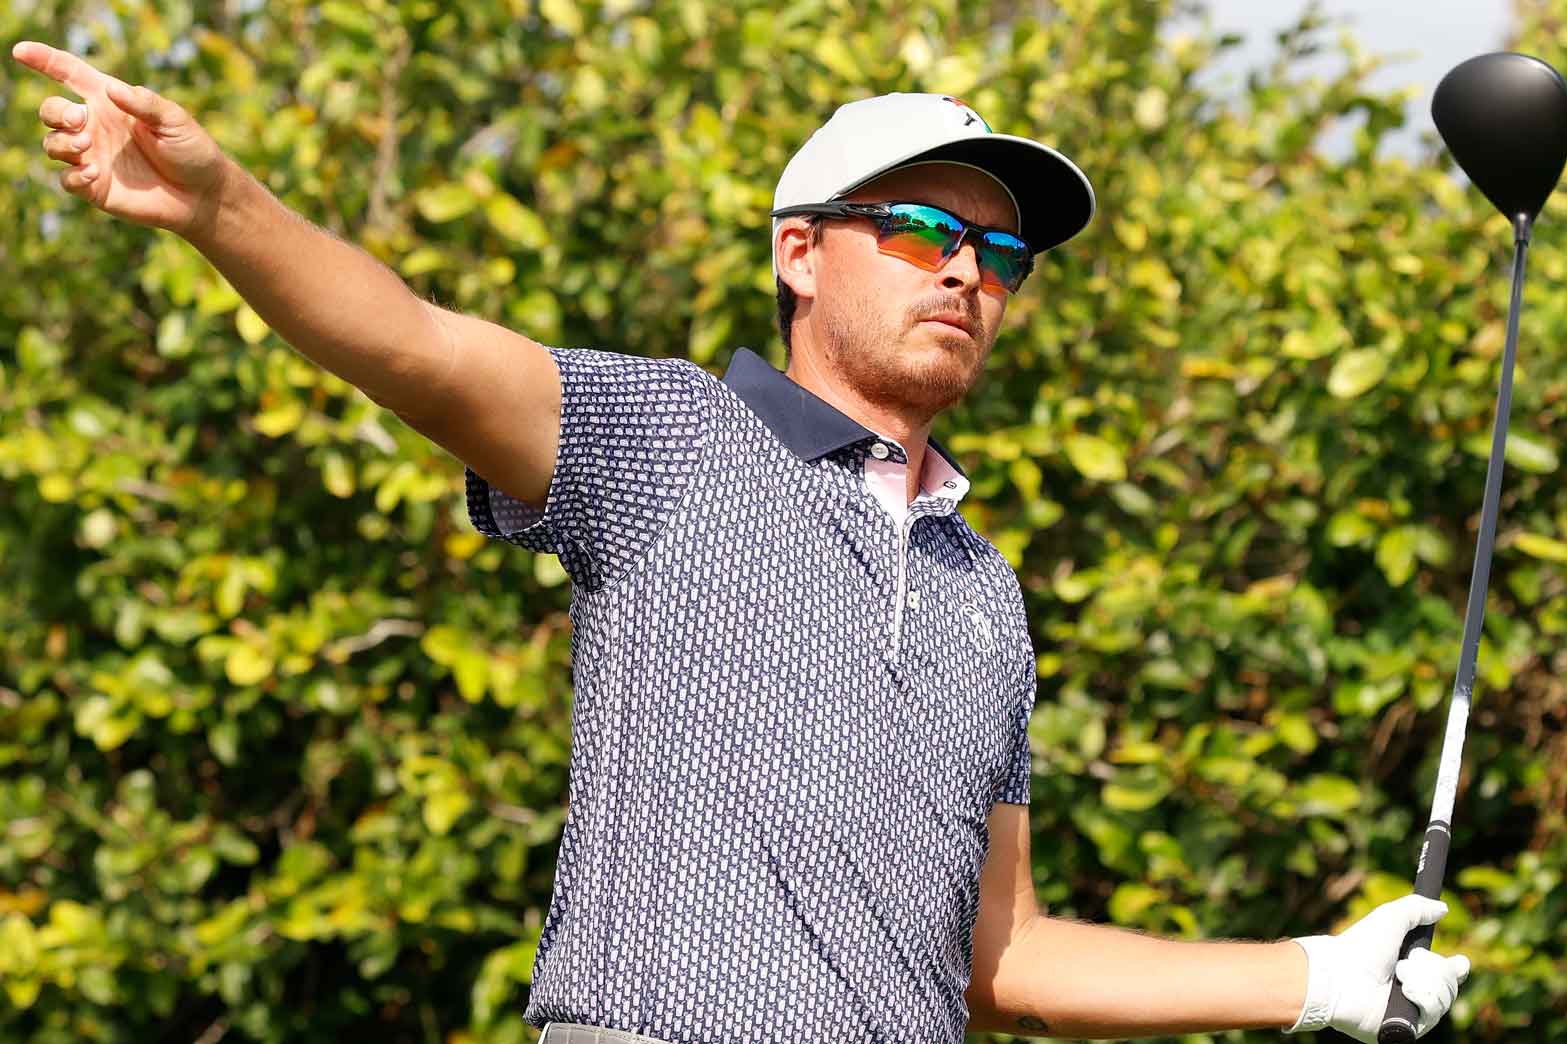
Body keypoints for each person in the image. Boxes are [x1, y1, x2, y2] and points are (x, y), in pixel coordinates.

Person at [13, 38, 1472, 1044]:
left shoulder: (987, 594)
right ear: (797, 251)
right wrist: (221, 208)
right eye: (916, 229)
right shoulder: (666, 443)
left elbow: (1005, 956)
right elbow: (414, 345)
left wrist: (1315, 979)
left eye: (1000, 253)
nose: (966, 271)